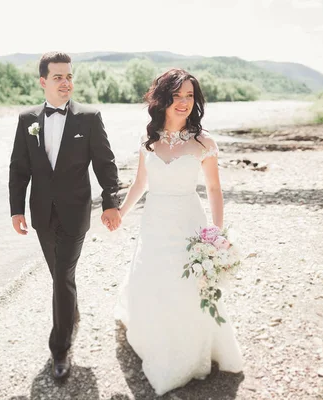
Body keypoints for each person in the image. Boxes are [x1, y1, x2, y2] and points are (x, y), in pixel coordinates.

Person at [114, 68, 243, 395]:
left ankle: (191, 349)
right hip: (155, 222)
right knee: (152, 279)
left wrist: (217, 233)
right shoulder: (149, 140)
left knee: (190, 283)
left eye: (190, 96)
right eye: (177, 95)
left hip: (189, 220)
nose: (184, 102)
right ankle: (157, 340)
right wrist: (120, 212)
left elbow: (214, 189)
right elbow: (140, 183)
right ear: (163, 98)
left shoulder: (204, 142)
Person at [8, 52, 122, 379]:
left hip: (75, 212)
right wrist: (16, 209)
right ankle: (71, 311)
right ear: (43, 81)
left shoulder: (89, 117)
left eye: (69, 76)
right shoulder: (26, 120)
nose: (66, 83)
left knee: (62, 274)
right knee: (60, 276)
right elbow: (19, 169)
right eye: (58, 77)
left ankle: (60, 349)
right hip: (41, 213)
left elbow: (105, 163)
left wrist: (111, 201)